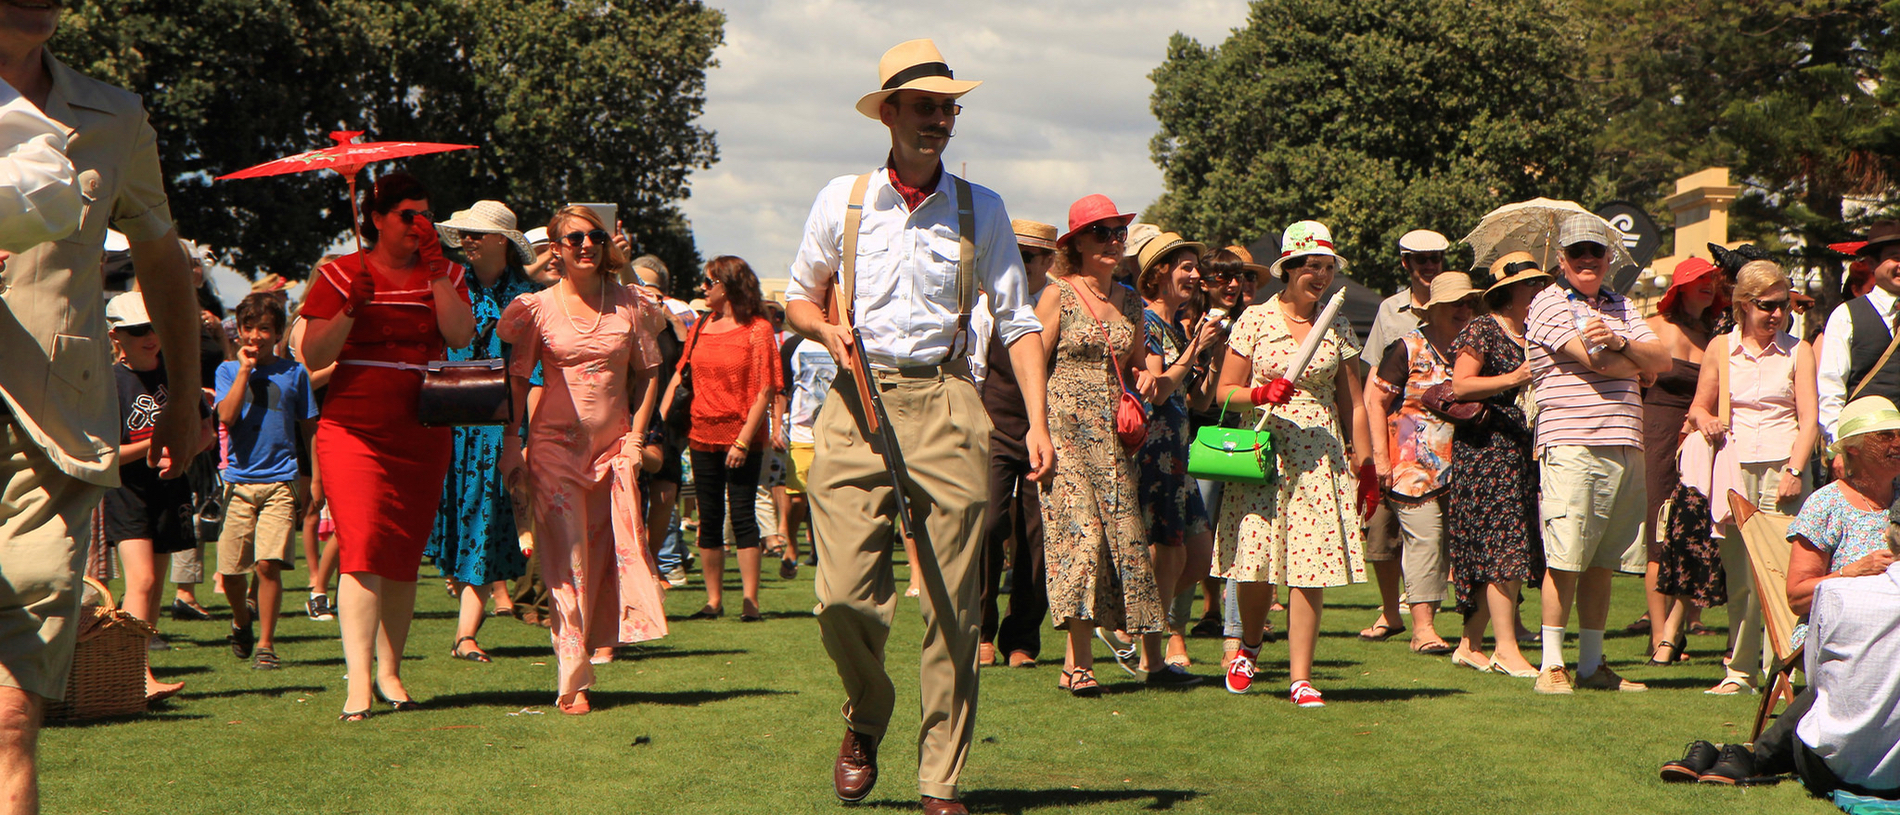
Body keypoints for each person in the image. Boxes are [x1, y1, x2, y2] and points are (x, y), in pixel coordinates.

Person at [783, 39, 1052, 815]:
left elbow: (1018, 321)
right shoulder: (843, 198)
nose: (940, 120)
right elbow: (800, 295)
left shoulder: (984, 207)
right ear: (890, 113)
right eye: (926, 107)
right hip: (853, 401)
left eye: (948, 108)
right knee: (839, 599)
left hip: (947, 401)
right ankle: (868, 712)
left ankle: (941, 780)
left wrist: (1036, 421)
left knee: (952, 603)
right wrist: (821, 330)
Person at [293, 170, 476, 720]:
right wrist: (351, 307)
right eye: (407, 215)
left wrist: (439, 275)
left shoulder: (447, 271)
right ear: (375, 218)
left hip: (422, 427)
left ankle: (391, 673)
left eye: (426, 215)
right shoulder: (339, 272)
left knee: (401, 556)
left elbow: (462, 337)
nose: (419, 225)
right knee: (365, 547)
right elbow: (312, 358)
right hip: (354, 429)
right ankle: (357, 684)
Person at [1661, 400, 1900, 795]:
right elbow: (1797, 596)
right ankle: (1763, 756)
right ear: (1853, 448)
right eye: (1885, 436)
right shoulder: (1827, 504)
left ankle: (1754, 755)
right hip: (1837, 636)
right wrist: (1850, 572)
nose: (1898, 443)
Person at [498, 205, 667, 715]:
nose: (585, 245)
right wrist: (512, 443)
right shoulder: (536, 308)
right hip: (554, 451)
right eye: (573, 238)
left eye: (594, 236)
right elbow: (515, 378)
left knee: (604, 558)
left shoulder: (631, 305)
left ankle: (593, 652)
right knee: (567, 561)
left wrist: (636, 438)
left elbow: (651, 372)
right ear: (556, 248)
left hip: (612, 452)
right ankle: (573, 677)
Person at [1214, 220, 1372, 707]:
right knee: (1256, 566)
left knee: (1311, 568)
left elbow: (1356, 403)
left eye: (1327, 267)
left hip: (1321, 456)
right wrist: (1260, 392)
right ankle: (1250, 645)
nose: (1320, 276)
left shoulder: (1338, 325)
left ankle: (1301, 678)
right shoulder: (1254, 320)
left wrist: (1366, 464)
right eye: (1311, 266)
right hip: (1263, 452)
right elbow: (1223, 394)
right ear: (1288, 269)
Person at [1034, 196, 1182, 696]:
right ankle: (1078, 663)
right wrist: (1037, 431)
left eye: (1118, 232)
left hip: (1115, 438)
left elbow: (1140, 360)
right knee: (1082, 535)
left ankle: (1151, 657)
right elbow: (1033, 365)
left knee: (1124, 536)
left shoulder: (1130, 300)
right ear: (1075, 244)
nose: (1114, 241)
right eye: (1101, 233)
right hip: (1064, 429)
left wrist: (1145, 375)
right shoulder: (1058, 295)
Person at [1523, 214, 1672, 694]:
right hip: (1572, 442)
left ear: (1610, 257)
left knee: (1602, 560)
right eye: (1577, 252)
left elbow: (1663, 362)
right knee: (1566, 557)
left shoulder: (1622, 304)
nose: (1588, 260)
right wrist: (1632, 364)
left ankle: (1590, 665)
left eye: (1596, 251)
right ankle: (1551, 667)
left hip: (1624, 441)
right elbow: (1598, 361)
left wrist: (1623, 344)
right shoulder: (1546, 302)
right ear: (1561, 259)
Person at [1681, 260, 1817, 694]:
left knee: (1783, 578)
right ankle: (1740, 672)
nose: (1777, 314)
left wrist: (1795, 471)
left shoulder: (1800, 350)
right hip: (1734, 470)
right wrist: (1705, 421)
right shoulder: (1721, 348)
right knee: (1740, 577)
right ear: (1743, 305)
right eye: (1766, 305)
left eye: (1783, 305)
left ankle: (1784, 673)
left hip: (1784, 468)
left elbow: (1809, 419)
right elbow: (1698, 406)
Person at [425, 202, 539, 663]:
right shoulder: (451, 287)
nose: (466, 240)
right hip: (448, 424)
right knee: (460, 526)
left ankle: (465, 634)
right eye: (463, 233)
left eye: (475, 233)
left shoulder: (529, 297)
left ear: (502, 242)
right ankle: (468, 625)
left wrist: (524, 438)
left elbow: (536, 374)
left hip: (502, 429)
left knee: (485, 525)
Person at [659, 256, 781, 622]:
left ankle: (750, 601)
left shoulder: (757, 330)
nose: (702, 288)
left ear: (727, 285)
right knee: (709, 517)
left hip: (742, 434)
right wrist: (657, 422)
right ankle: (713, 601)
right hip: (701, 432)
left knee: (743, 515)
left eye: (708, 282)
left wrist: (743, 441)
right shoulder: (699, 327)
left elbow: (765, 389)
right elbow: (680, 376)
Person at [1448, 252, 1550, 678]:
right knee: (1503, 548)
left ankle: (1470, 645)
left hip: (1521, 452)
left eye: (1541, 283)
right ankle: (1506, 649)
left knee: (1508, 546)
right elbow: (1460, 385)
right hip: (1487, 453)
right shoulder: (1484, 328)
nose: (1539, 290)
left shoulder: (1538, 332)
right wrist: (1515, 378)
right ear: (1508, 293)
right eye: (1531, 285)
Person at [1367, 271, 1477, 659]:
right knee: (1426, 541)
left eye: (1469, 303)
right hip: (1413, 466)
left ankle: (1481, 631)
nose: (1465, 310)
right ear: (1434, 310)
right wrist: (1381, 458)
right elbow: (1375, 401)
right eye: (1456, 304)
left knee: (1465, 545)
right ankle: (1423, 628)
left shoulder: (1475, 351)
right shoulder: (1405, 347)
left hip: (1468, 461)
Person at [102, 292, 206, 700]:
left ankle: (133, 670)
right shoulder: (108, 381)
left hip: (172, 487)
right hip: (128, 492)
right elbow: (104, 453)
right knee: (141, 580)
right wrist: (153, 449)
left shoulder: (179, 374)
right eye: (137, 330)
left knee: (154, 584)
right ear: (116, 336)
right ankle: (134, 674)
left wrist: (181, 453)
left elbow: (205, 432)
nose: (150, 337)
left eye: (154, 327)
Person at [212, 293, 316, 671]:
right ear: (238, 332)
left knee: (268, 565)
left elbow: (309, 428)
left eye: (264, 329)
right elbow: (226, 416)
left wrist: (315, 478)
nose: (254, 336)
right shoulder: (226, 371)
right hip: (238, 483)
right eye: (247, 328)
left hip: (281, 481)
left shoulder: (295, 373)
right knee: (232, 571)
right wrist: (243, 371)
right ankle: (242, 620)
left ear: (277, 333)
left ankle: (267, 645)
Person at [1133, 232, 1222, 674]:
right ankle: (1152, 655)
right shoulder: (1145, 322)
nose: (1194, 275)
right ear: (1157, 274)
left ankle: (1133, 619)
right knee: (1166, 553)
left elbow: (1199, 403)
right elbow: (1159, 388)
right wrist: (1194, 349)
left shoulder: (1178, 327)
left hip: (1179, 453)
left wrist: (1214, 351)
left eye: (1195, 268)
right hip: (1153, 452)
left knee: (1200, 556)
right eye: (1184, 267)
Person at [1357, 229, 1448, 643]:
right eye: (1422, 259)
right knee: (1382, 531)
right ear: (1405, 264)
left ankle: (1424, 619)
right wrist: (1374, 451)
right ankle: (1390, 611)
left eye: (1436, 258)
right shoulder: (1389, 310)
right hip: (1394, 432)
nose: (1430, 265)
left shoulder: (1458, 303)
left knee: (1431, 531)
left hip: (1444, 437)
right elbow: (1371, 383)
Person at [977, 220, 1057, 669]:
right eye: (1015, 252)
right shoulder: (983, 301)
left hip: (1044, 430)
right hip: (990, 424)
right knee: (988, 524)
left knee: (1037, 536)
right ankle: (982, 630)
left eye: (1029, 256)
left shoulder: (1061, 301)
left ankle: (1022, 637)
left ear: (1048, 260)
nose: (1020, 262)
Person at [1637, 256, 1721, 660]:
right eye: (1698, 280)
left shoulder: (1716, 336)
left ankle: (1678, 627)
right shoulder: (1655, 328)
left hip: (1700, 442)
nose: (1707, 286)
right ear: (1680, 287)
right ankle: (1659, 637)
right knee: (1659, 535)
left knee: (1695, 531)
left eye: (1711, 281)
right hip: (1656, 436)